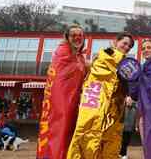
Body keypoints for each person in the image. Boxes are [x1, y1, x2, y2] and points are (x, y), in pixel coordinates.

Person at [67, 32, 135, 159]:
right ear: (116, 42)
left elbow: (127, 84)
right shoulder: (106, 54)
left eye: (129, 46)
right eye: (124, 43)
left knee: (110, 138)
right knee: (87, 130)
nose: (126, 47)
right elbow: (103, 70)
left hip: (114, 108)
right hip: (95, 100)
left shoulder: (126, 64)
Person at [36, 24, 87, 159]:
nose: (77, 38)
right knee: (58, 131)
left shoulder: (79, 57)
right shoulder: (62, 52)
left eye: (80, 35)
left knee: (68, 133)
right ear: (66, 38)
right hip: (60, 102)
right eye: (73, 35)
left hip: (74, 101)